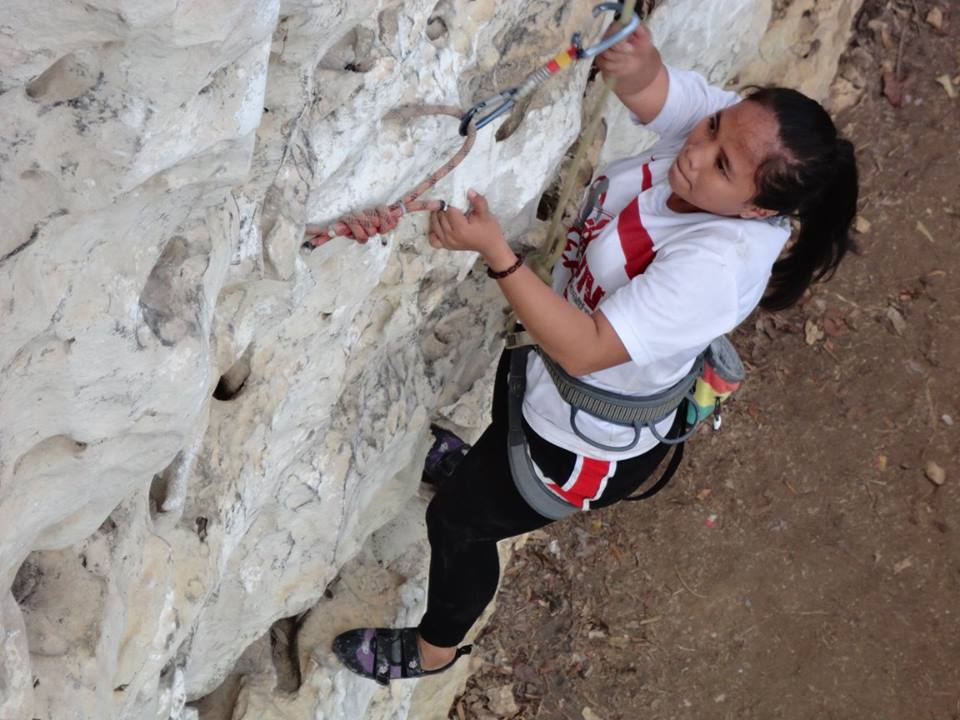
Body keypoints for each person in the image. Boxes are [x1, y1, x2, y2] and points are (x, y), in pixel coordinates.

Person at [330, 23, 858, 685]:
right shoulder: (734, 144)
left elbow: (585, 351)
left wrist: (498, 255)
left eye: (723, 164)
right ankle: (485, 468)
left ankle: (435, 651)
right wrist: (631, 54)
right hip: (548, 383)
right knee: (502, 437)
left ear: (756, 211)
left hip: (582, 441)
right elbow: (652, 88)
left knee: (458, 524)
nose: (698, 151)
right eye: (716, 125)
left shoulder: (715, 267)